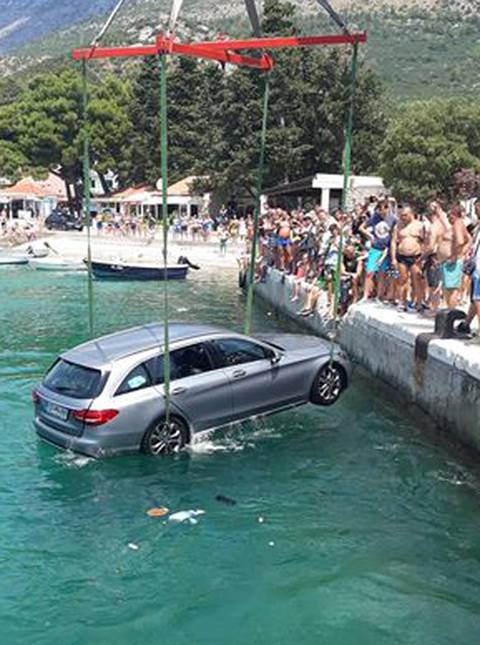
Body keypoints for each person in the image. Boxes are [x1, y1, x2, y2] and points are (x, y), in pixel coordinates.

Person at [390, 206, 426, 312]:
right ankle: (403, 302)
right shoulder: (398, 226)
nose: (403, 217)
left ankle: (418, 302)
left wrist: (423, 257)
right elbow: (393, 242)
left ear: (411, 214)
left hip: (416, 256)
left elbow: (425, 242)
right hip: (402, 256)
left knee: (417, 280)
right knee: (402, 279)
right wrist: (393, 258)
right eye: (401, 216)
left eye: (405, 215)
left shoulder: (419, 226)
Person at [360, 199, 396, 301]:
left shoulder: (393, 219)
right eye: (380, 209)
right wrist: (370, 235)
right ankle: (365, 295)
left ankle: (380, 295)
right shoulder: (374, 218)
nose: (382, 212)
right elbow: (361, 227)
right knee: (369, 272)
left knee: (383, 273)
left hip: (387, 249)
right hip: (375, 248)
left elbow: (394, 235)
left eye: (384, 209)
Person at [441, 204, 471, 310]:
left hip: (452, 261)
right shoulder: (460, 224)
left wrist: (455, 255)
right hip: (452, 260)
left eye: (449, 216)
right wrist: (463, 252)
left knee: (451, 289)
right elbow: (469, 240)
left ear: (453, 215)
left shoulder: (457, 224)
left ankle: (450, 312)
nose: (448, 219)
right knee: (449, 288)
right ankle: (450, 311)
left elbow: (460, 241)